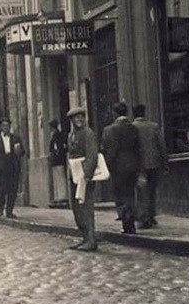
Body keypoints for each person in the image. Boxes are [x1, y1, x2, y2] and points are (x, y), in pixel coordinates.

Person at [101, 101, 142, 234]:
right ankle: (131, 223)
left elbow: (110, 151)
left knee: (120, 196)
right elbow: (139, 149)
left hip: (118, 168)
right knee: (130, 194)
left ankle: (127, 224)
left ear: (114, 114)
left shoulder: (110, 130)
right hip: (133, 166)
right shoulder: (133, 128)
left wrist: (107, 167)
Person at [66, 106, 99, 252]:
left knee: (85, 208)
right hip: (75, 176)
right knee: (77, 209)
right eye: (75, 118)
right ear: (72, 120)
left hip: (84, 177)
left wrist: (87, 176)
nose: (78, 120)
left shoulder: (88, 133)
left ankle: (91, 240)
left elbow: (92, 155)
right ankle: (85, 238)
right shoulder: (71, 135)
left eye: (81, 117)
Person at [133, 104, 167, 229]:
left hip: (139, 165)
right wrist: (164, 162)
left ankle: (144, 217)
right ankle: (151, 215)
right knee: (152, 191)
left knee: (141, 192)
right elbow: (161, 145)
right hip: (154, 163)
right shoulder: (154, 126)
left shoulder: (132, 127)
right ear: (144, 113)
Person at [0, 119, 26, 218]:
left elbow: (22, 152)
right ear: (1, 127)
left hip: (12, 166)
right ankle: (1, 206)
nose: (6, 128)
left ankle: (9, 211)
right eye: (4, 126)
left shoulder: (16, 138)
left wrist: (19, 151)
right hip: (1, 168)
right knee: (1, 189)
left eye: (8, 126)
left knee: (12, 190)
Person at [47, 118, 68, 205]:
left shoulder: (56, 135)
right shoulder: (56, 134)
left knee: (60, 177)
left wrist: (54, 154)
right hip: (56, 160)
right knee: (57, 178)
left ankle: (62, 197)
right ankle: (59, 196)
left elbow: (56, 147)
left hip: (58, 160)